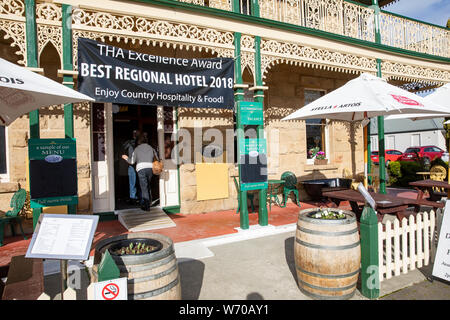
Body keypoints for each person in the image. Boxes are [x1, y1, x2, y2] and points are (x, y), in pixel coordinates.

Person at [122, 132, 159, 211]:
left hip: (141, 169)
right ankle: (149, 202)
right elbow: (157, 158)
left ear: (139, 141)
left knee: (144, 187)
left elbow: (132, 161)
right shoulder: (151, 148)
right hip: (150, 168)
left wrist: (125, 158)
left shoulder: (137, 149)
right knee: (148, 185)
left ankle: (146, 206)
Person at [121, 130, 139, 205]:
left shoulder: (140, 143)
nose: (135, 134)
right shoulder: (129, 142)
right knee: (133, 182)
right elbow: (123, 148)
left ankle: (139, 198)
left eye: (136, 133)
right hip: (131, 164)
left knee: (139, 182)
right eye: (134, 133)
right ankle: (133, 198)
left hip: (139, 164)